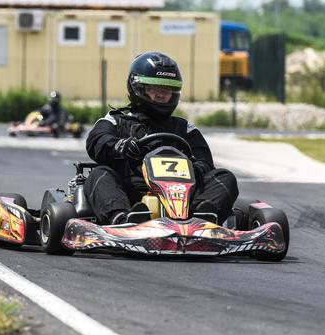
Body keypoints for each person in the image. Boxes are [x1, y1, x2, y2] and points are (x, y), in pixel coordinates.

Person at [84, 51, 238, 225]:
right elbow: (97, 141)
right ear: (137, 88)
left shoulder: (184, 128)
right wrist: (121, 147)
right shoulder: (117, 121)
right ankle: (122, 219)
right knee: (99, 174)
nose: (161, 94)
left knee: (225, 176)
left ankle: (202, 219)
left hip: (184, 195)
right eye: (154, 88)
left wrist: (193, 169)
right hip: (133, 192)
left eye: (167, 89)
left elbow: (205, 162)